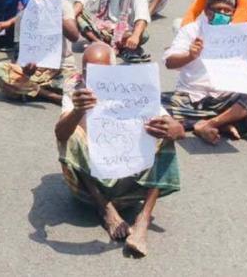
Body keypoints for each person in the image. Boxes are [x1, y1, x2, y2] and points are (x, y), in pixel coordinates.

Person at [56, 41, 183, 256]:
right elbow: (60, 134)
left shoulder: (134, 91)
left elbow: (179, 131)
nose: (94, 77)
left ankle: (143, 219)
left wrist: (170, 128)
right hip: (91, 188)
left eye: (101, 71)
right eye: (88, 72)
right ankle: (106, 210)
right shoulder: (76, 94)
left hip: (132, 185)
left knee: (165, 137)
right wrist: (78, 111)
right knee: (72, 135)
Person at [163, 0, 247, 144]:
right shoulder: (191, 30)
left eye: (227, 11)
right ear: (207, 11)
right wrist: (189, 56)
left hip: (225, 99)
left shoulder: (239, 34)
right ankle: (222, 123)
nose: (222, 14)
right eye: (217, 10)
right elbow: (169, 62)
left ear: (233, 12)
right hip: (192, 98)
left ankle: (210, 123)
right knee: (153, 106)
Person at [0, 0, 80, 103]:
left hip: (62, 69)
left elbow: (74, 36)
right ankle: (50, 96)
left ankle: (31, 91)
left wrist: (53, 12)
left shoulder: (63, 6)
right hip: (36, 73)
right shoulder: (23, 16)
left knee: (83, 88)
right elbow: (19, 55)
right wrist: (26, 71)